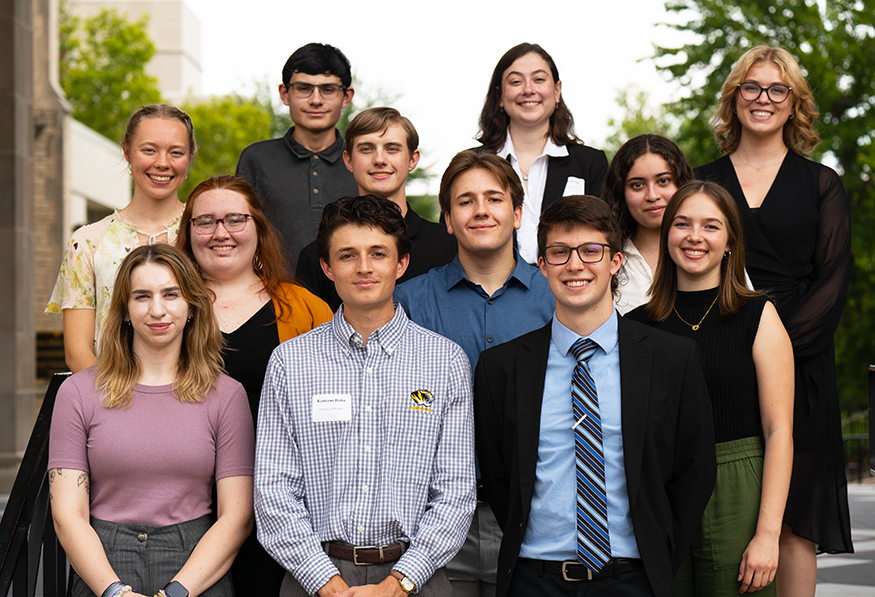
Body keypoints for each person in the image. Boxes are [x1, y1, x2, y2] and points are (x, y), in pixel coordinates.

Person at [474, 195, 716, 597]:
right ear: (542, 266)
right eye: (559, 252)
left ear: (615, 262)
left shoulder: (672, 359)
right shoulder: (501, 368)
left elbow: (695, 469)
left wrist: (660, 552)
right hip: (534, 580)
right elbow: (500, 478)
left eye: (591, 251)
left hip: (635, 579)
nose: (575, 265)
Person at [255, 195, 475, 597]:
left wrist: (398, 583)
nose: (364, 268)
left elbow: (456, 491)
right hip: (313, 577)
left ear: (401, 264)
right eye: (347, 255)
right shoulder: (290, 362)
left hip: (417, 578)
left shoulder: (445, 362)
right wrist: (326, 582)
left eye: (378, 253)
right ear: (326, 267)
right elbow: (274, 489)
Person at [695, 45, 853, 596]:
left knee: (791, 524)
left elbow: (832, 283)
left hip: (801, 365)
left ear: (794, 105)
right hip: (715, 359)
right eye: (751, 88)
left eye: (776, 90)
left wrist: (767, 346)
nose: (763, 99)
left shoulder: (820, 183)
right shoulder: (703, 179)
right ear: (734, 99)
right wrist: (729, 346)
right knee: (720, 511)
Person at [48, 244, 254, 597]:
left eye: (171, 294)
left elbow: (237, 517)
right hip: (102, 566)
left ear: (191, 305)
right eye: (142, 296)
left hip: (196, 567)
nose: (157, 310)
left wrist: (176, 592)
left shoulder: (227, 395)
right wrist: (115, 591)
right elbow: (68, 515)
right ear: (125, 311)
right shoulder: (77, 393)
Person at [393, 151, 554, 597]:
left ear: (518, 213)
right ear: (446, 219)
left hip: (534, 514)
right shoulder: (406, 304)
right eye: (465, 201)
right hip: (433, 519)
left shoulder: (557, 299)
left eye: (494, 199)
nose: (481, 210)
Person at [626, 181, 793, 596]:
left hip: (736, 483)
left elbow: (779, 433)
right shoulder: (633, 324)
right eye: (682, 224)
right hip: (659, 490)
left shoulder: (759, 316)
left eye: (711, 226)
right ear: (666, 237)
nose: (695, 237)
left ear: (730, 241)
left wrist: (768, 535)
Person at [176, 175, 332, 596]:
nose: (220, 232)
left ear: (258, 228)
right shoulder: (166, 307)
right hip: (182, 505)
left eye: (235, 219)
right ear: (187, 232)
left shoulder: (305, 308)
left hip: (280, 504)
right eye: (204, 221)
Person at [47, 104, 197, 373]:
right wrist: (122, 406)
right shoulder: (88, 242)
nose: (162, 163)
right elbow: (77, 352)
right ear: (127, 152)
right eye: (149, 150)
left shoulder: (207, 234)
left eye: (176, 152)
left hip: (195, 396)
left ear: (189, 158)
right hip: (112, 401)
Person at [296, 107, 457, 310]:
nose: (379, 160)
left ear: (413, 159)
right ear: (348, 160)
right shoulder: (319, 255)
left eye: (392, 149)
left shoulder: (451, 246)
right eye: (366, 149)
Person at [473, 43, 608, 264]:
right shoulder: (473, 166)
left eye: (539, 79)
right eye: (516, 81)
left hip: (567, 288)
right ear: (499, 95)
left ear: (556, 91)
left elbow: (603, 238)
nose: (528, 89)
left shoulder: (590, 163)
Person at [235, 43, 358, 267]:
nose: (316, 100)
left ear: (346, 96)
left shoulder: (363, 161)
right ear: (285, 94)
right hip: (275, 296)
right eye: (303, 88)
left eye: (328, 90)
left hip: (354, 297)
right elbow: (238, 234)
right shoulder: (256, 159)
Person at [601, 134, 695, 314]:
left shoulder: (708, 248)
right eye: (637, 185)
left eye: (663, 181)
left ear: (681, 184)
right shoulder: (603, 258)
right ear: (621, 193)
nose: (652, 195)